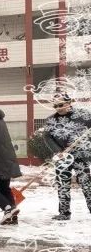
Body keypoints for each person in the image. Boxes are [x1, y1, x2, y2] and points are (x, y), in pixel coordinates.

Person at [43, 93, 91, 221]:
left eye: (61, 104)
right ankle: (64, 213)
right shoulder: (51, 120)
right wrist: (58, 151)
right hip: (62, 158)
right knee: (63, 185)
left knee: (86, 183)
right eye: (55, 106)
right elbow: (47, 137)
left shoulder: (83, 115)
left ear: (69, 102)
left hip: (81, 155)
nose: (58, 108)